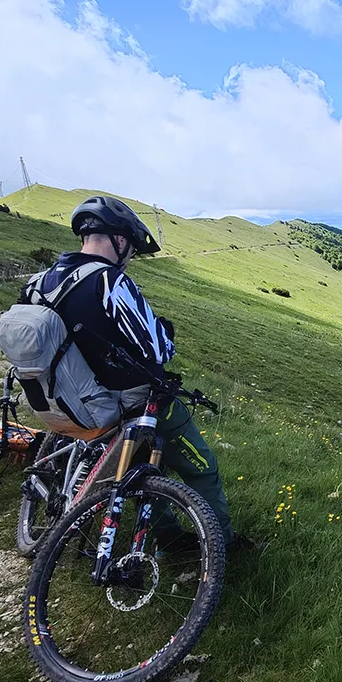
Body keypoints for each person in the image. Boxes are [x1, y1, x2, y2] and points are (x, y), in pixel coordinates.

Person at [23, 195, 237, 548]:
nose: (131, 258)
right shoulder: (108, 282)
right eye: (132, 249)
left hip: (68, 401)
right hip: (132, 403)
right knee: (203, 469)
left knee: (136, 473)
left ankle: (167, 539)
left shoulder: (38, 283)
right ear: (120, 240)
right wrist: (165, 331)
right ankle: (220, 545)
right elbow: (158, 349)